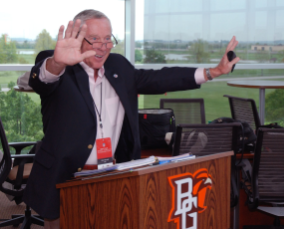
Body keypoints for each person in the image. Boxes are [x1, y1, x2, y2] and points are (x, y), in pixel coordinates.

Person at [23, 9, 239, 229]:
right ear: (77, 39)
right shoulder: (58, 63)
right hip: (65, 178)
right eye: (95, 39)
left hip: (112, 176)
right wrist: (57, 64)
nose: (103, 46)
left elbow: (160, 78)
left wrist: (213, 72)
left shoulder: (118, 66)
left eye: (108, 39)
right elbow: (42, 80)